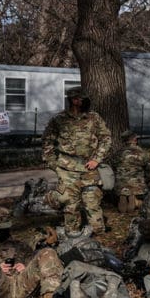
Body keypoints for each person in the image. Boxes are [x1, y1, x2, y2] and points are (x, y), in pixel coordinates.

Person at [41, 86, 112, 233]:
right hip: (67, 170)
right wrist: (55, 165)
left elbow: (106, 138)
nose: (86, 101)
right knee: (70, 203)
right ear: (74, 100)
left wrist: (97, 159)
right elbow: (47, 142)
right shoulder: (59, 120)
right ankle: (72, 234)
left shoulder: (94, 118)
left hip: (89, 168)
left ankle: (97, 232)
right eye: (82, 99)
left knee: (92, 201)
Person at [115, 131, 150, 213]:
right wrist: (147, 180)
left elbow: (113, 167)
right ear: (135, 139)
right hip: (137, 184)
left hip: (120, 184)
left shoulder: (117, 153)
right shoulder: (142, 153)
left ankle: (124, 196)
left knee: (122, 180)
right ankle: (136, 200)